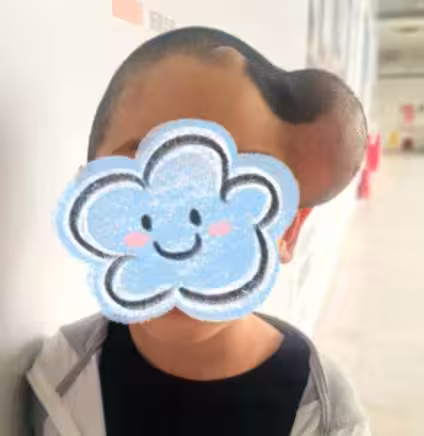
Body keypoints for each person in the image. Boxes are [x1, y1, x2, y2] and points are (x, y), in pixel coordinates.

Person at [27, 27, 370, 435]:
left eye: (230, 185)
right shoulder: (59, 376)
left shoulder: (325, 415)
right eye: (144, 173)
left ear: (288, 229)